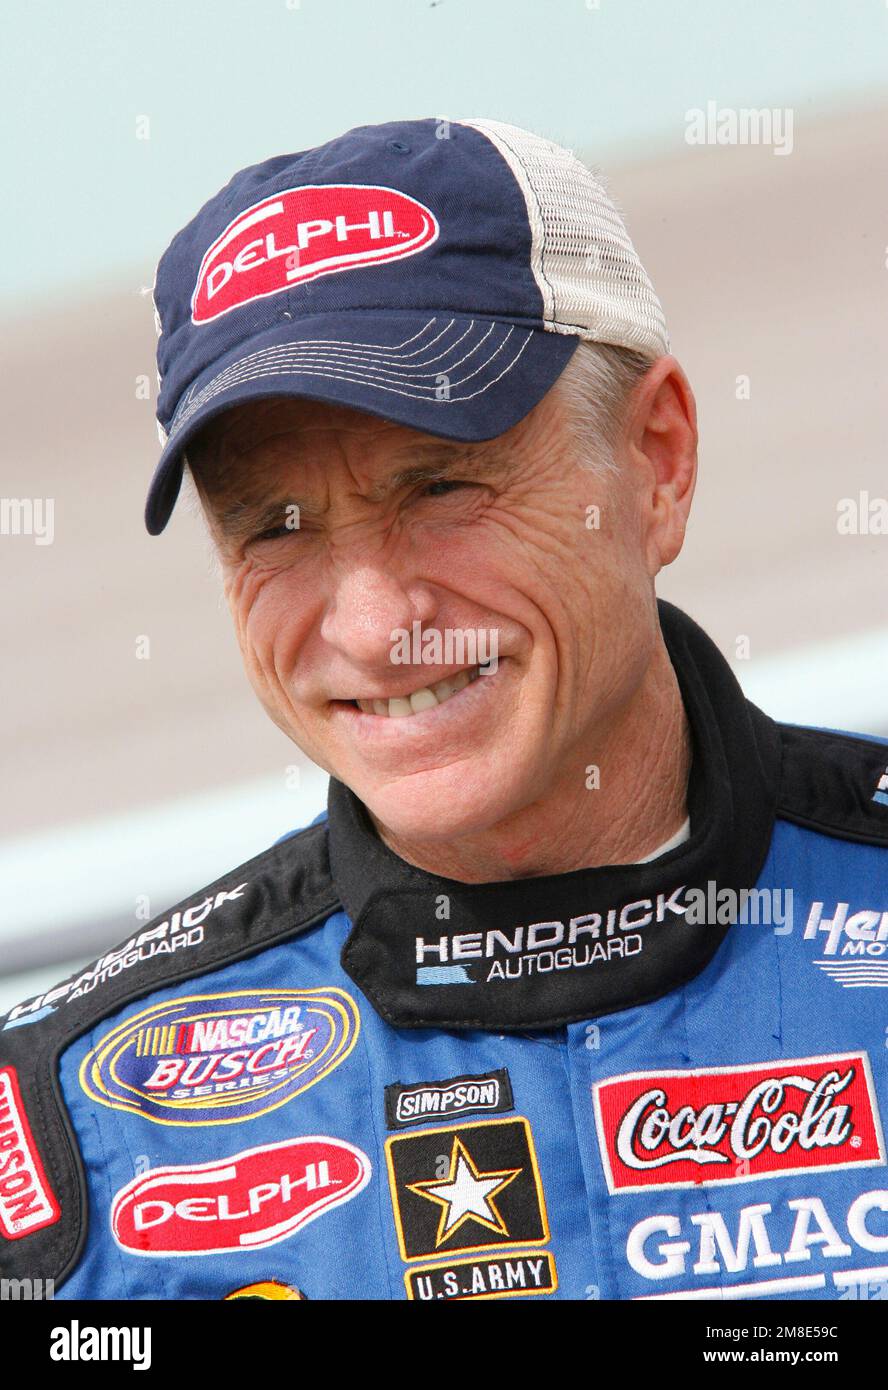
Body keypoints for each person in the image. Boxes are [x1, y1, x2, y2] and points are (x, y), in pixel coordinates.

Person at [2, 118, 886, 1303]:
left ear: (658, 464)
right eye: (276, 526)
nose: (372, 629)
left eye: (443, 486)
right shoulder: (68, 1143)